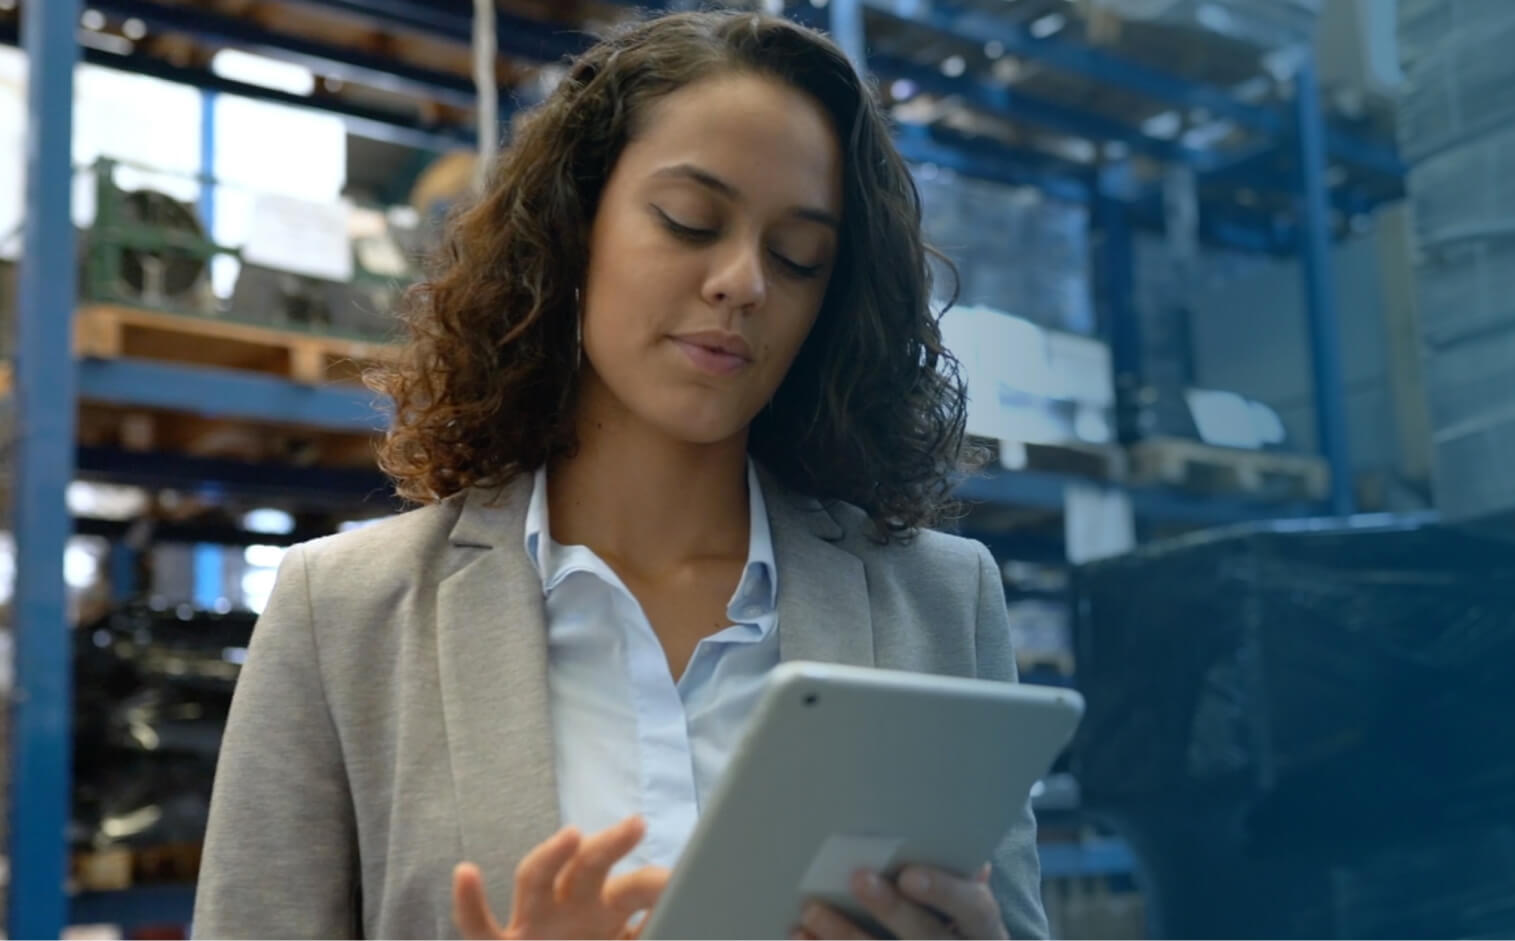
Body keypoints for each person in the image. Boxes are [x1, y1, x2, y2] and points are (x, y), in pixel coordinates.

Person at [193, 11, 1045, 940]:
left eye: (798, 255)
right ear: (573, 228)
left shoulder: (942, 602)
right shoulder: (343, 616)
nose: (742, 281)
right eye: (689, 221)